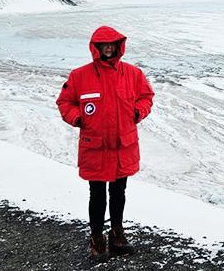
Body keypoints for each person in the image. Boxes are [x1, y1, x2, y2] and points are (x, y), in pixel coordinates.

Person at [56, 25, 154, 262]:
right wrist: (77, 118)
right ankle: (97, 239)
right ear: (96, 48)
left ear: (119, 46)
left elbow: (146, 97)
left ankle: (117, 236)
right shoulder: (80, 75)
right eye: (104, 45)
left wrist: (137, 113)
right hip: (96, 147)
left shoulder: (133, 74)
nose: (108, 48)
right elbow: (65, 101)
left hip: (123, 146)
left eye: (112, 44)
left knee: (119, 193)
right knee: (97, 195)